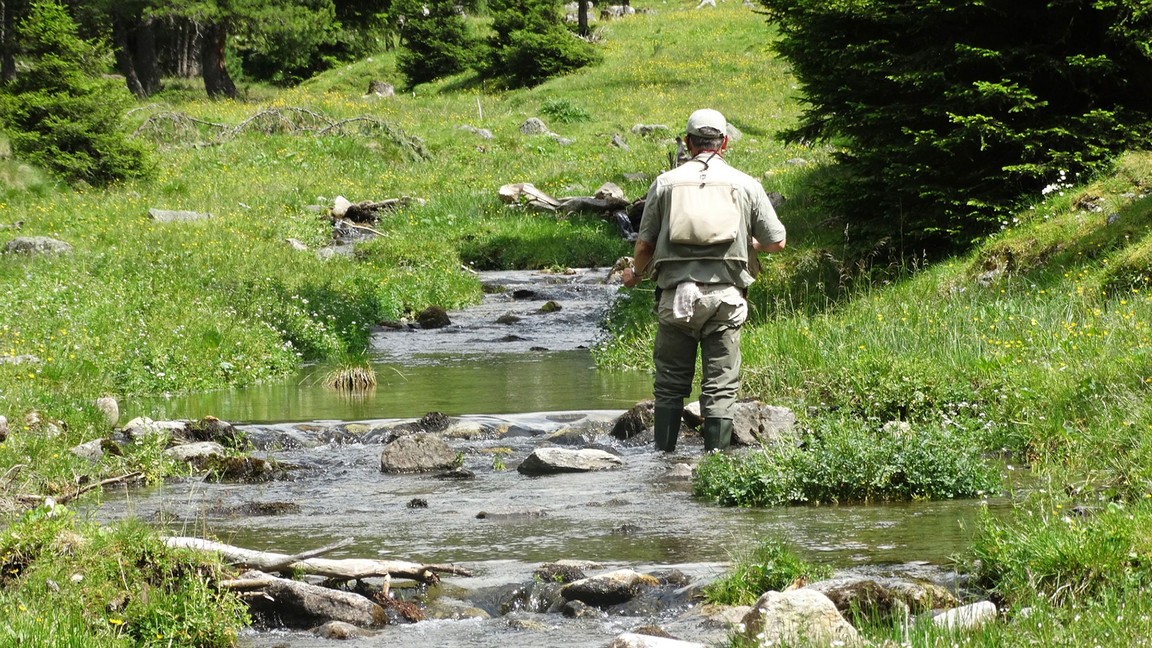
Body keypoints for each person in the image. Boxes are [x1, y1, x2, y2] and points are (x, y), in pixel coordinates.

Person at [622, 108, 786, 452]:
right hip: (727, 300)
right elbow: (776, 241)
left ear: (687, 143)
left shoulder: (665, 183)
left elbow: (644, 244)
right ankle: (717, 462)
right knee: (721, 386)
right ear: (724, 142)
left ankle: (663, 461)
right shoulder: (746, 183)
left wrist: (635, 276)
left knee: (668, 385)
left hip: (675, 298)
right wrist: (749, 243)